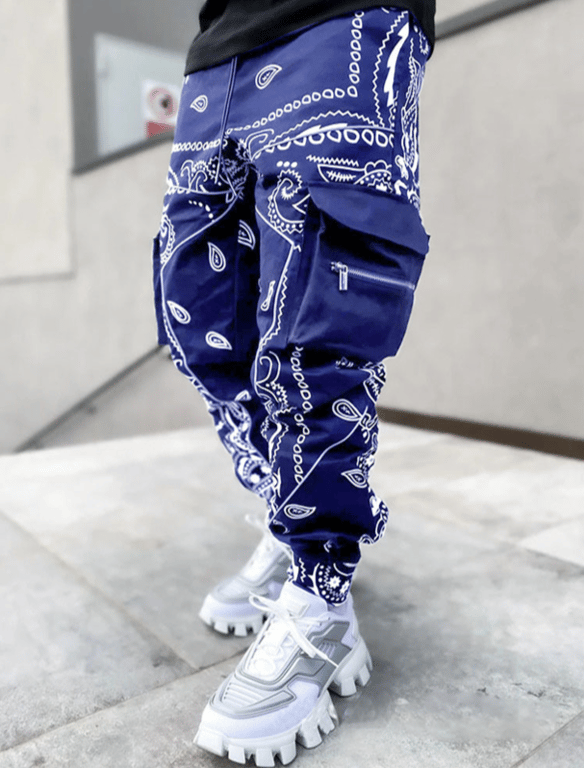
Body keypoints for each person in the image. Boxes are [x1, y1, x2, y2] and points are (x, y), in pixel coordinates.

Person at [153, 1, 435, 764]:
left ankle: (321, 599)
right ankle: (289, 520)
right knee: (203, 315)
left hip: (337, 19)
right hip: (218, 46)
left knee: (317, 320)